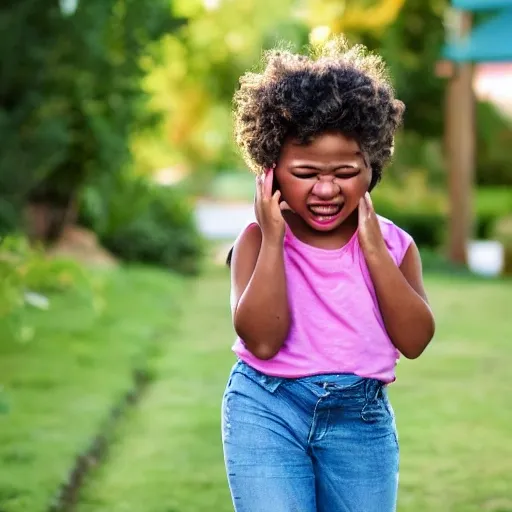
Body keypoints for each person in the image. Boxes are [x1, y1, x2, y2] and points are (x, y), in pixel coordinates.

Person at [222, 37, 435, 512]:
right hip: (267, 409)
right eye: (304, 173)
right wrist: (275, 240)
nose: (325, 189)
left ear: (371, 168)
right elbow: (262, 341)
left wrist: (374, 251)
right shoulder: (257, 241)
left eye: (344, 172)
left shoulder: (395, 246)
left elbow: (416, 340)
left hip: (359, 421)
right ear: (270, 172)